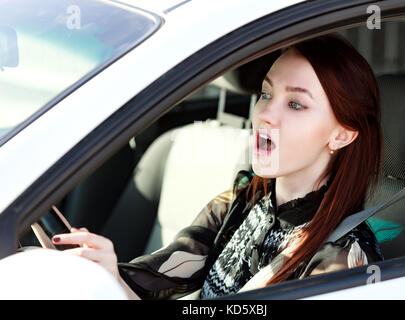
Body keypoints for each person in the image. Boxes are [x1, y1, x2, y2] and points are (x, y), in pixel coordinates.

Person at [51, 34, 384, 300]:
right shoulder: (238, 203)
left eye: (295, 104)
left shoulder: (344, 257)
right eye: (266, 94)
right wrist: (106, 271)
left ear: (341, 134)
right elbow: (155, 279)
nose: (265, 113)